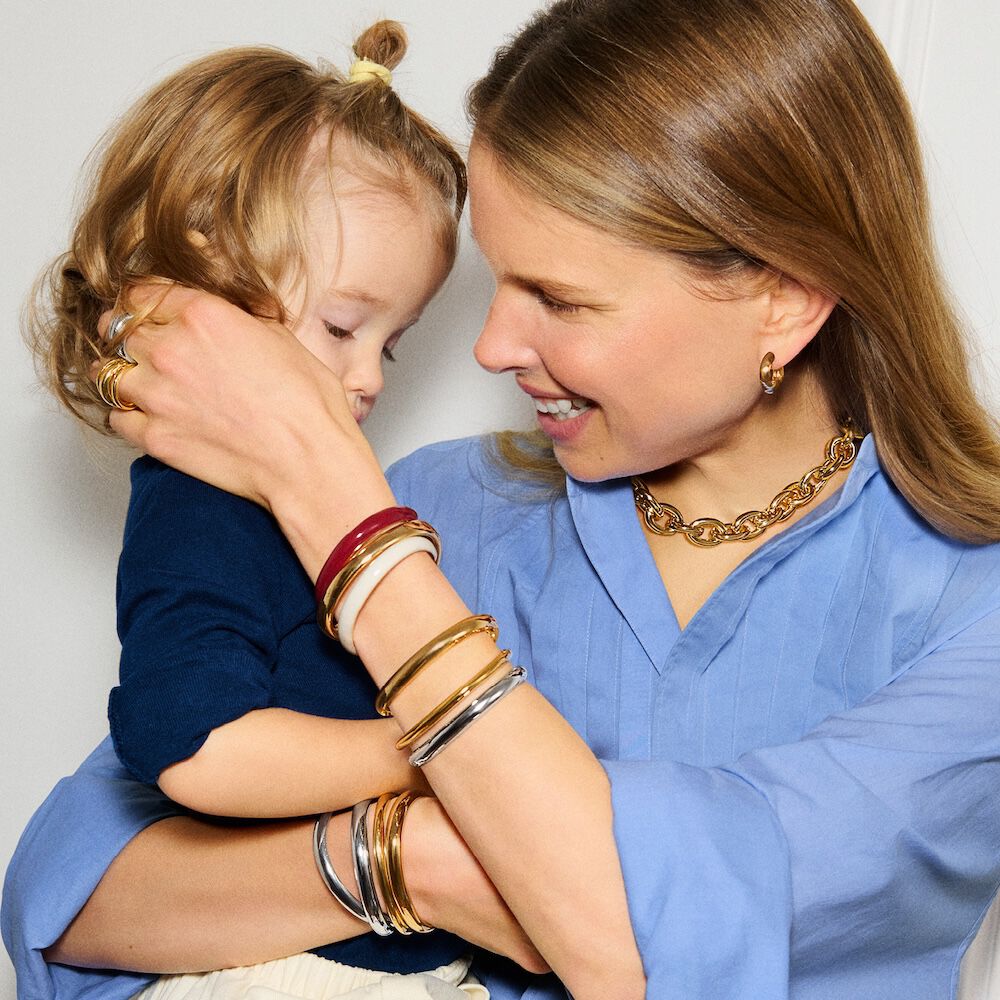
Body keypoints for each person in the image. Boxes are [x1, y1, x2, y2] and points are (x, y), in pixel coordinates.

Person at [5, 0, 1000, 998]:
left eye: (558, 298)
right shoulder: (439, 503)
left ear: (782, 297)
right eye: (497, 282)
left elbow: (650, 944)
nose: (489, 347)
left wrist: (334, 505)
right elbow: (74, 892)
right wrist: (403, 861)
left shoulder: (973, 609)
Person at [11, 20, 526, 1000]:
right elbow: (195, 747)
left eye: (392, 343)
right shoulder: (200, 504)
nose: (369, 377)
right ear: (208, 284)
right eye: (342, 325)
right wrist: (425, 749)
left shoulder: (312, 502)